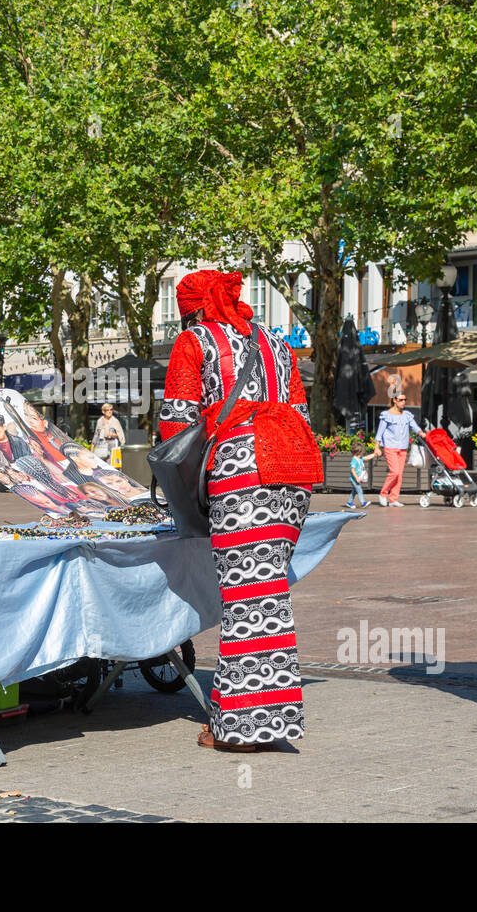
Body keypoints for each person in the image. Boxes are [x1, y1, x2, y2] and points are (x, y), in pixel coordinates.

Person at [159, 268, 321, 753]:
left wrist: (184, 488)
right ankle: (260, 721)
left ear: (193, 308)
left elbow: (176, 425)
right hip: (295, 468)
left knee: (246, 599)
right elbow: (301, 412)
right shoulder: (275, 341)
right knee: (265, 595)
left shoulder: (195, 341)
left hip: (243, 468)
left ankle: (244, 731)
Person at [371, 394, 421, 506]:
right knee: (395, 472)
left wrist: (422, 433)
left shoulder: (407, 415)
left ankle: (393, 499)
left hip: (403, 447)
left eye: (405, 399)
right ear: (394, 400)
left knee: (399, 474)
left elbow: (415, 427)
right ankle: (383, 494)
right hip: (390, 447)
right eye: (400, 400)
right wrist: (377, 446)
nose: (403, 402)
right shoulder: (387, 415)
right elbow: (380, 432)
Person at [346, 443, 369, 510]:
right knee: (359, 490)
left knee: (354, 491)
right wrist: (356, 478)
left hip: (357, 479)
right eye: (362, 452)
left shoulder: (359, 458)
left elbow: (367, 457)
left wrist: (374, 454)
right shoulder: (354, 460)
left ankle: (349, 502)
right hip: (354, 479)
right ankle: (363, 503)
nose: (363, 453)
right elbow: (352, 470)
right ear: (359, 452)